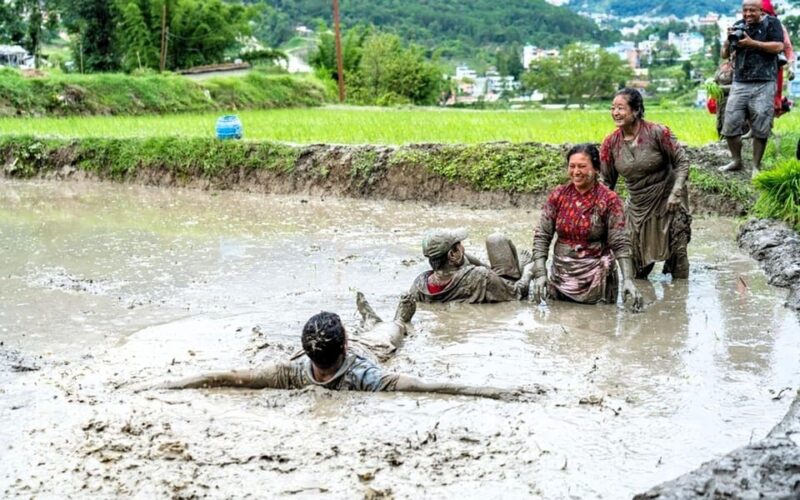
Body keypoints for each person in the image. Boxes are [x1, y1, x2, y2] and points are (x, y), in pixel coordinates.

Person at [141, 294, 526, 400]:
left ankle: (370, 317)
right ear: (341, 346)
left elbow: (223, 377)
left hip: (339, 345)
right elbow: (427, 386)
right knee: (394, 331)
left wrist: (162, 385)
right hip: (373, 348)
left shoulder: (288, 373)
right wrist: (496, 390)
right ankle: (395, 316)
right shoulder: (365, 375)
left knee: (379, 327)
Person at [532, 143, 642, 310]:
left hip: (596, 279)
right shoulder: (558, 196)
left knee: (598, 325)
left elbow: (620, 243)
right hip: (561, 276)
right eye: (572, 166)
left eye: (582, 166)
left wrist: (628, 279)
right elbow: (542, 236)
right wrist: (540, 273)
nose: (576, 172)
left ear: (596, 168)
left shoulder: (609, 200)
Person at [600, 88, 691, 280]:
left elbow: (682, 162)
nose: (615, 112)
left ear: (635, 110)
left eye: (621, 108)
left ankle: (679, 303)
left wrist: (676, 192)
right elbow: (607, 182)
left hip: (668, 201)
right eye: (613, 108)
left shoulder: (658, 132)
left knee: (677, 254)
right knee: (636, 269)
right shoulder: (610, 144)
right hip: (637, 206)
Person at [718, 0, 785, 177]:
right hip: (740, 81)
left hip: (765, 81)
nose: (748, 14)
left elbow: (779, 46)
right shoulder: (739, 26)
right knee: (730, 122)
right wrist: (727, 41)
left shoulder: (772, 23)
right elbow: (724, 54)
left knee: (761, 124)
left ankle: (756, 165)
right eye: (745, 10)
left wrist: (753, 43)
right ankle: (736, 160)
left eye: (752, 10)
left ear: (761, 11)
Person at [409, 229, 534, 303]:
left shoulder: (419, 286)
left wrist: (461, 256)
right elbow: (518, 292)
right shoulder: (480, 276)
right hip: (504, 286)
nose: (463, 248)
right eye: (459, 245)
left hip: (483, 281)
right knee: (497, 240)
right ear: (452, 255)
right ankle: (520, 266)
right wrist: (528, 270)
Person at [761, 0, 795, 120]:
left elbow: (787, 47)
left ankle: (765, 129)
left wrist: (791, 67)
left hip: (773, 68)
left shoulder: (778, 26)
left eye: (764, 13)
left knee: (772, 99)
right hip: (750, 69)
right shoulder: (745, 25)